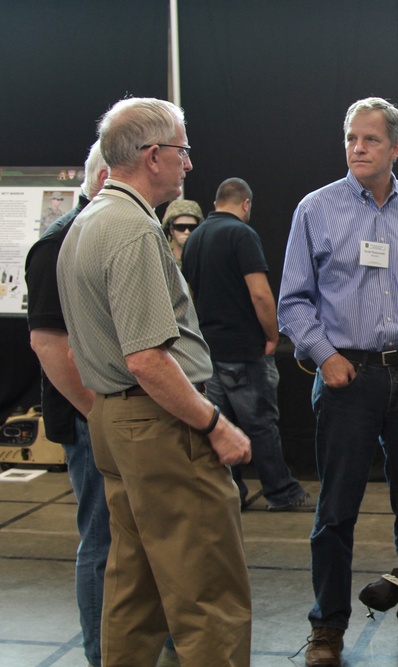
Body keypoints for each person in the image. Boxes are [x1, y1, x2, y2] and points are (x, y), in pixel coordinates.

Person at [56, 97, 253, 667]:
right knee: (209, 592)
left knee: (132, 587)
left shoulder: (84, 222)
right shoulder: (134, 230)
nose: (189, 163)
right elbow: (147, 359)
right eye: (182, 151)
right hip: (160, 425)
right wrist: (213, 423)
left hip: (115, 423)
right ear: (152, 156)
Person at [277, 96, 398, 666]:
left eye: (370, 140)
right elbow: (294, 303)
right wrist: (324, 355)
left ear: (396, 148)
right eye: (351, 139)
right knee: (335, 513)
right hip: (346, 379)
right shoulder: (316, 208)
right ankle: (327, 628)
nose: (357, 148)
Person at [25, 140, 111, 667]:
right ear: (106, 178)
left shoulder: (104, 234)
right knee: (102, 544)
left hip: (114, 418)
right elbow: (49, 344)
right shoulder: (59, 245)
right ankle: (103, 655)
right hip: (90, 423)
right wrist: (99, 415)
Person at [182, 177, 314, 512]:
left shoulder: (195, 238)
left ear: (216, 203)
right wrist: (272, 335)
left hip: (209, 351)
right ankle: (281, 492)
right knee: (261, 426)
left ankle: (232, 492)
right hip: (244, 350)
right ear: (246, 204)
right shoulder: (242, 234)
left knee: (220, 427)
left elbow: (189, 295)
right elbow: (259, 292)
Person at [162, 197, 204, 269]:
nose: (187, 232)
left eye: (192, 227)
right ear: (171, 230)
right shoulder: (163, 262)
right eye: (180, 227)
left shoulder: (205, 262)